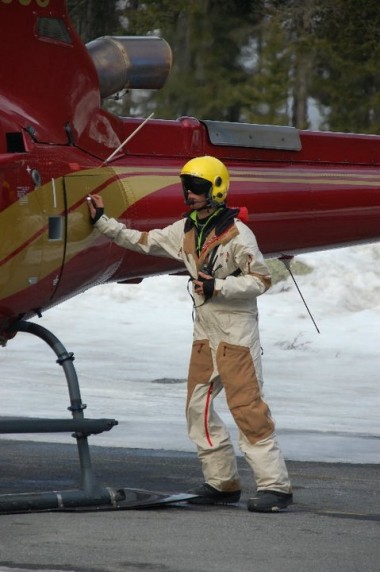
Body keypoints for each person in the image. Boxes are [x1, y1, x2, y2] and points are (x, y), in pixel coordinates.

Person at [88, 155, 293, 512]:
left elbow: (262, 280)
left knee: (247, 410)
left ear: (216, 189)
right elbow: (144, 240)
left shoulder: (237, 234)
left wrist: (220, 288)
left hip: (236, 335)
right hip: (205, 333)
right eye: (187, 187)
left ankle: (276, 487)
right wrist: (102, 223)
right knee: (197, 408)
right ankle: (222, 482)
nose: (190, 194)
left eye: (197, 187)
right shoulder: (185, 228)